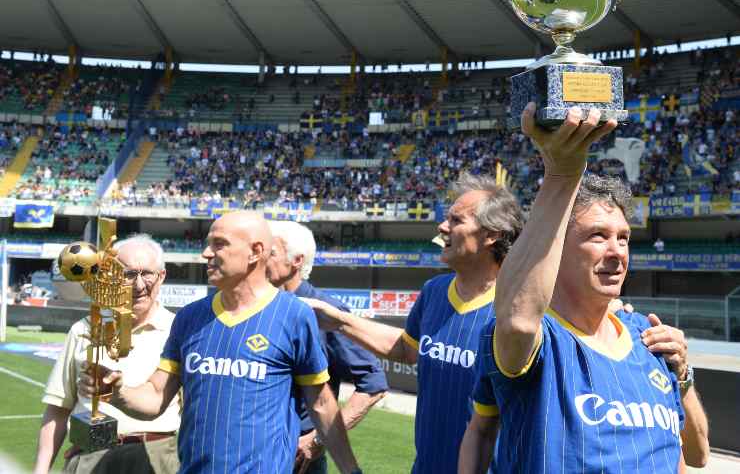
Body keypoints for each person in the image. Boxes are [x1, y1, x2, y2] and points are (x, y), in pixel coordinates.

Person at [470, 105, 709, 472]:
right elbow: (518, 320)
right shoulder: (540, 341)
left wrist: (684, 376)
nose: (616, 251)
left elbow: (696, 455)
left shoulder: (649, 337)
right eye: (598, 236)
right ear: (557, 248)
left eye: (624, 238)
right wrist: (562, 173)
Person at [77, 211, 361, 474]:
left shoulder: (294, 316)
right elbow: (155, 396)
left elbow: (322, 405)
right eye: (208, 243)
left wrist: (351, 470)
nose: (206, 253)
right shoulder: (190, 317)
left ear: (256, 252)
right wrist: (116, 391)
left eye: (219, 244)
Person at [304, 172, 525, 473]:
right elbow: (407, 350)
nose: (442, 227)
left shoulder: (518, 313)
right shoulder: (434, 292)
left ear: (492, 235)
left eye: (456, 220)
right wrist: (340, 321)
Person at [33, 235, 180, 474]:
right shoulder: (84, 329)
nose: (139, 285)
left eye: (147, 274)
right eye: (129, 274)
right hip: (91, 455)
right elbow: (58, 409)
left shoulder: (179, 330)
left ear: (161, 276)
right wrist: (40, 470)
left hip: (157, 456)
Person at [267, 220, 388, 474]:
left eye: (271, 251)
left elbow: (373, 384)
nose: (260, 257)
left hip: (297, 461)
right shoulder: (258, 307)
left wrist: (317, 440)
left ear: (296, 261)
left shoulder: (325, 312)